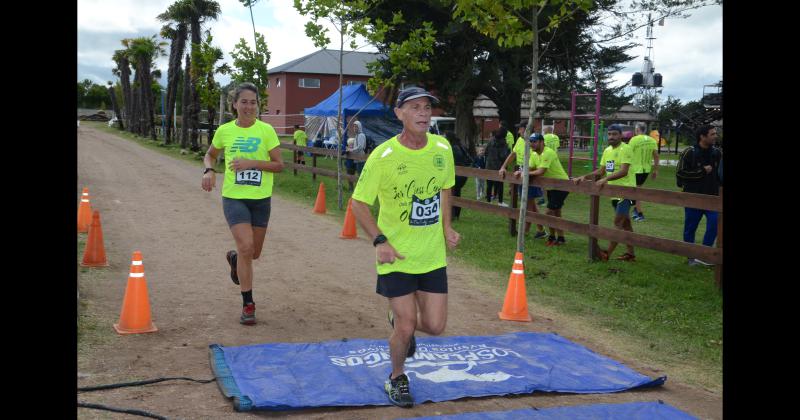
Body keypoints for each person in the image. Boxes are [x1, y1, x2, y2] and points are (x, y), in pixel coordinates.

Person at [350, 86, 460, 408]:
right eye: (415, 107)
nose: (423, 113)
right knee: (408, 324)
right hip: (395, 255)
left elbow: (445, 190)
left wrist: (447, 226)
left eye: (427, 107)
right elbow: (358, 204)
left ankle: (397, 319)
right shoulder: (383, 156)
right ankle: (397, 377)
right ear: (399, 113)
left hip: (431, 256)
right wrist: (379, 240)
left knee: (436, 327)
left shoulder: (442, 148)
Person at [201, 82, 285, 325]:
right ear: (235, 104)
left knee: (253, 254)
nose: (249, 106)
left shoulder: (266, 130)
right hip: (234, 197)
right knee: (246, 246)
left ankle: (236, 261)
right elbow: (211, 154)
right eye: (244, 101)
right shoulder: (225, 131)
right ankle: (248, 304)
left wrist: (252, 163)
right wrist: (209, 170)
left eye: (253, 102)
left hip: (261, 200)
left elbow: (279, 165)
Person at [573, 124, 636, 262]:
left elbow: (624, 171)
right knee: (625, 225)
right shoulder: (607, 151)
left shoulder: (626, 149)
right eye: (609, 134)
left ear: (620, 135)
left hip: (627, 191)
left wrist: (606, 179)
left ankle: (606, 253)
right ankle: (631, 254)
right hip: (613, 192)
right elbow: (601, 171)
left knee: (618, 222)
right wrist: (584, 176)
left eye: (615, 134)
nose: (611, 137)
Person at [676, 124, 721, 266]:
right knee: (690, 227)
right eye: (712, 134)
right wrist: (701, 171)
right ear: (702, 136)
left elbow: (720, 175)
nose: (716, 136)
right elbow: (680, 173)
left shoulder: (717, 153)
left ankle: (704, 255)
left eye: (715, 133)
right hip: (693, 197)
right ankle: (691, 257)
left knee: (715, 223)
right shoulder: (689, 152)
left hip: (713, 198)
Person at [523, 133, 570, 246]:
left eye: (535, 141)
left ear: (542, 142)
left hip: (561, 185)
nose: (532, 144)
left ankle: (551, 235)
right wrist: (522, 172)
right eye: (531, 141)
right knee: (556, 213)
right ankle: (558, 238)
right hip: (550, 186)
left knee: (549, 212)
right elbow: (529, 168)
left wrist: (525, 173)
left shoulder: (548, 152)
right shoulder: (534, 154)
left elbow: (540, 171)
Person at [498, 132, 547, 238]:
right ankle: (541, 229)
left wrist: (526, 172)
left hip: (530, 174)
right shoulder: (520, 140)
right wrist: (503, 166)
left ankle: (525, 231)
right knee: (530, 204)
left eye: (521, 129)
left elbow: (536, 162)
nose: (519, 131)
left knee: (528, 204)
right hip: (521, 173)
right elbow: (513, 154)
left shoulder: (534, 145)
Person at [628, 123, 659, 221]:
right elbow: (656, 156)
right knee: (636, 190)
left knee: (635, 191)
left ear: (637, 129)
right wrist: (656, 170)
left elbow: (628, 154)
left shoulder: (634, 139)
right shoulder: (652, 140)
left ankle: (640, 213)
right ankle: (635, 210)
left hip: (635, 169)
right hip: (646, 170)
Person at [447, 131, 473, 220]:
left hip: (457, 173)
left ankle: (453, 215)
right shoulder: (460, 145)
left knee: (452, 193)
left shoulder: (453, 148)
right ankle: (456, 215)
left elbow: (453, 161)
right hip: (462, 174)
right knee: (457, 192)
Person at [484, 129, 510, 206]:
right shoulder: (503, 144)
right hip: (499, 167)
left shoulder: (490, 141)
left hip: (489, 166)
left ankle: (488, 201)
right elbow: (503, 156)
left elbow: (486, 152)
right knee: (500, 185)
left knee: (489, 184)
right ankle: (500, 202)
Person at [345, 120, 367, 190]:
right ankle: (358, 189)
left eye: (356, 127)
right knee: (357, 172)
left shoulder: (361, 135)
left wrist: (351, 150)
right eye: (354, 127)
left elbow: (360, 147)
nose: (355, 128)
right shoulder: (357, 135)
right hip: (356, 158)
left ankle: (362, 189)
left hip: (360, 157)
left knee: (360, 174)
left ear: (359, 127)